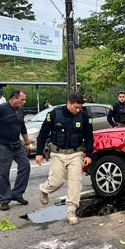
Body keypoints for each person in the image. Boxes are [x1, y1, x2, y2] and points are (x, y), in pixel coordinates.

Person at [35, 93, 94, 225]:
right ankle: (44, 189)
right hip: (57, 153)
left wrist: (89, 155)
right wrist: (39, 153)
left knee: (75, 184)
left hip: (76, 154)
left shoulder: (83, 116)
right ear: (69, 103)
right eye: (76, 107)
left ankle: (71, 211)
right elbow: (43, 134)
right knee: (56, 182)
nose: (78, 110)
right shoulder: (55, 114)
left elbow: (89, 136)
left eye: (80, 107)